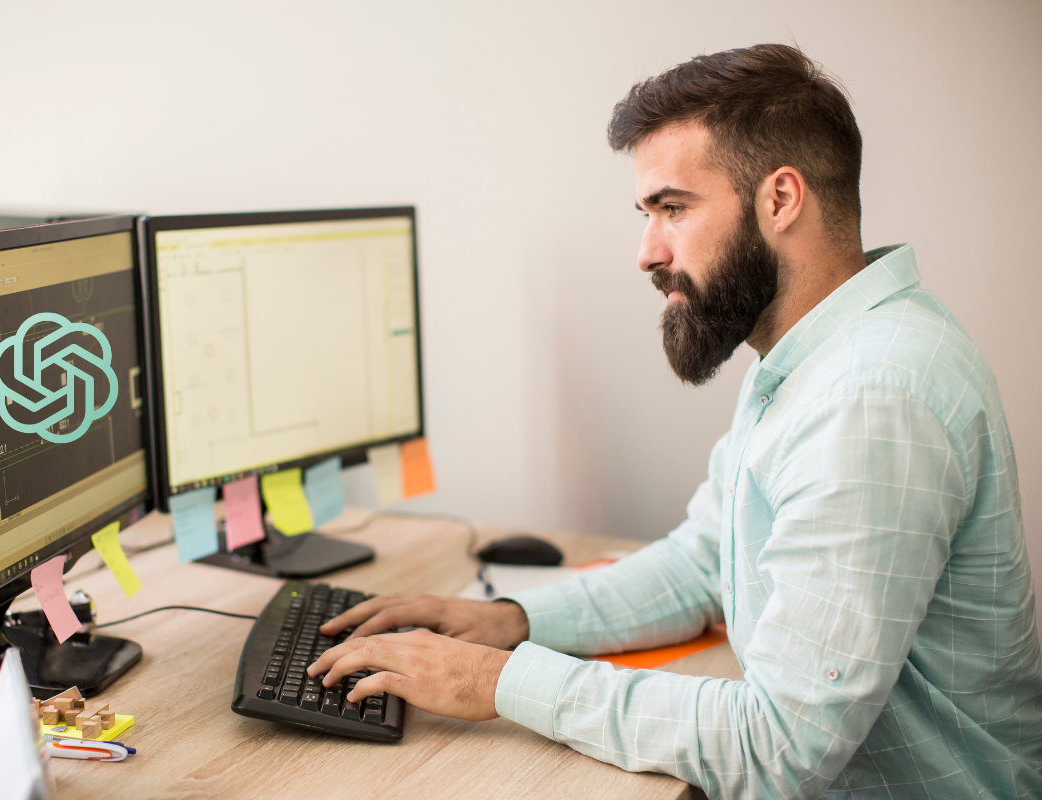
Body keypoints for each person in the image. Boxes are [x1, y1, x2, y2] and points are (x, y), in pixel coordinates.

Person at [308, 44, 1042, 798]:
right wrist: (508, 621)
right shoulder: (812, 357)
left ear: (780, 200)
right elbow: (702, 565)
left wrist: (496, 681)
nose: (647, 253)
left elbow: (777, 747)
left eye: (673, 209)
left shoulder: (872, 396)